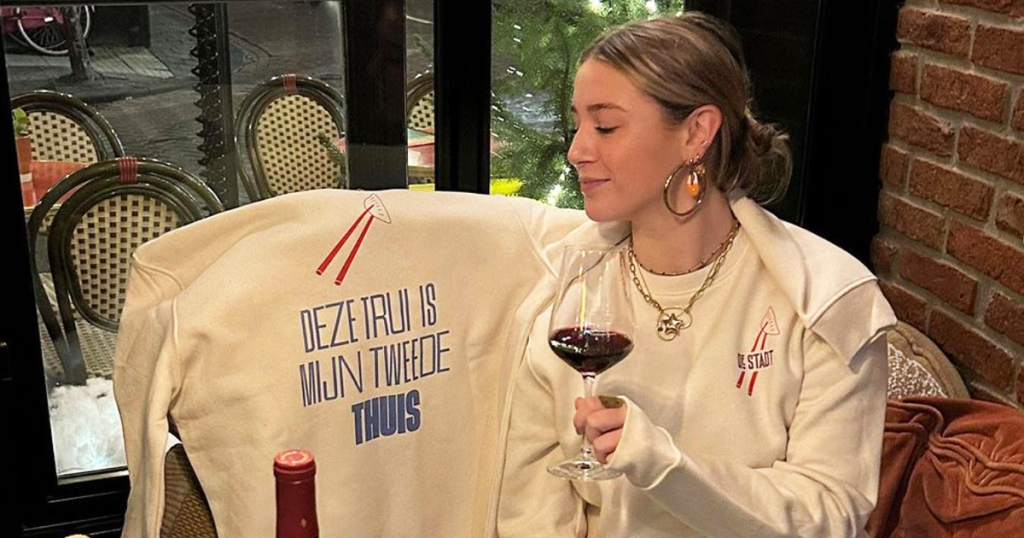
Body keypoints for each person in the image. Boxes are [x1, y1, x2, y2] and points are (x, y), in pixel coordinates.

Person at [496, 12, 896, 538]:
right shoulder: (568, 284)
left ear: (696, 133)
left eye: (606, 126)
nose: (576, 151)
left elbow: (828, 514)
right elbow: (531, 502)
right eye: (578, 126)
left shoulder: (827, 301)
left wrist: (665, 465)